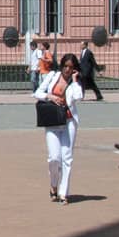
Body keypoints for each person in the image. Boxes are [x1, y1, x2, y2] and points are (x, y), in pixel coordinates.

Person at [34, 52, 82, 204]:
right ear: (61, 66)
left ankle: (63, 193)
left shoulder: (75, 83)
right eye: (66, 66)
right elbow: (37, 92)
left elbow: (78, 97)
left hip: (69, 122)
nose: (68, 70)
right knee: (54, 158)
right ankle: (54, 185)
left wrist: (74, 81)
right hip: (53, 120)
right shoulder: (52, 76)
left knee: (67, 157)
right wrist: (50, 96)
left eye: (71, 67)